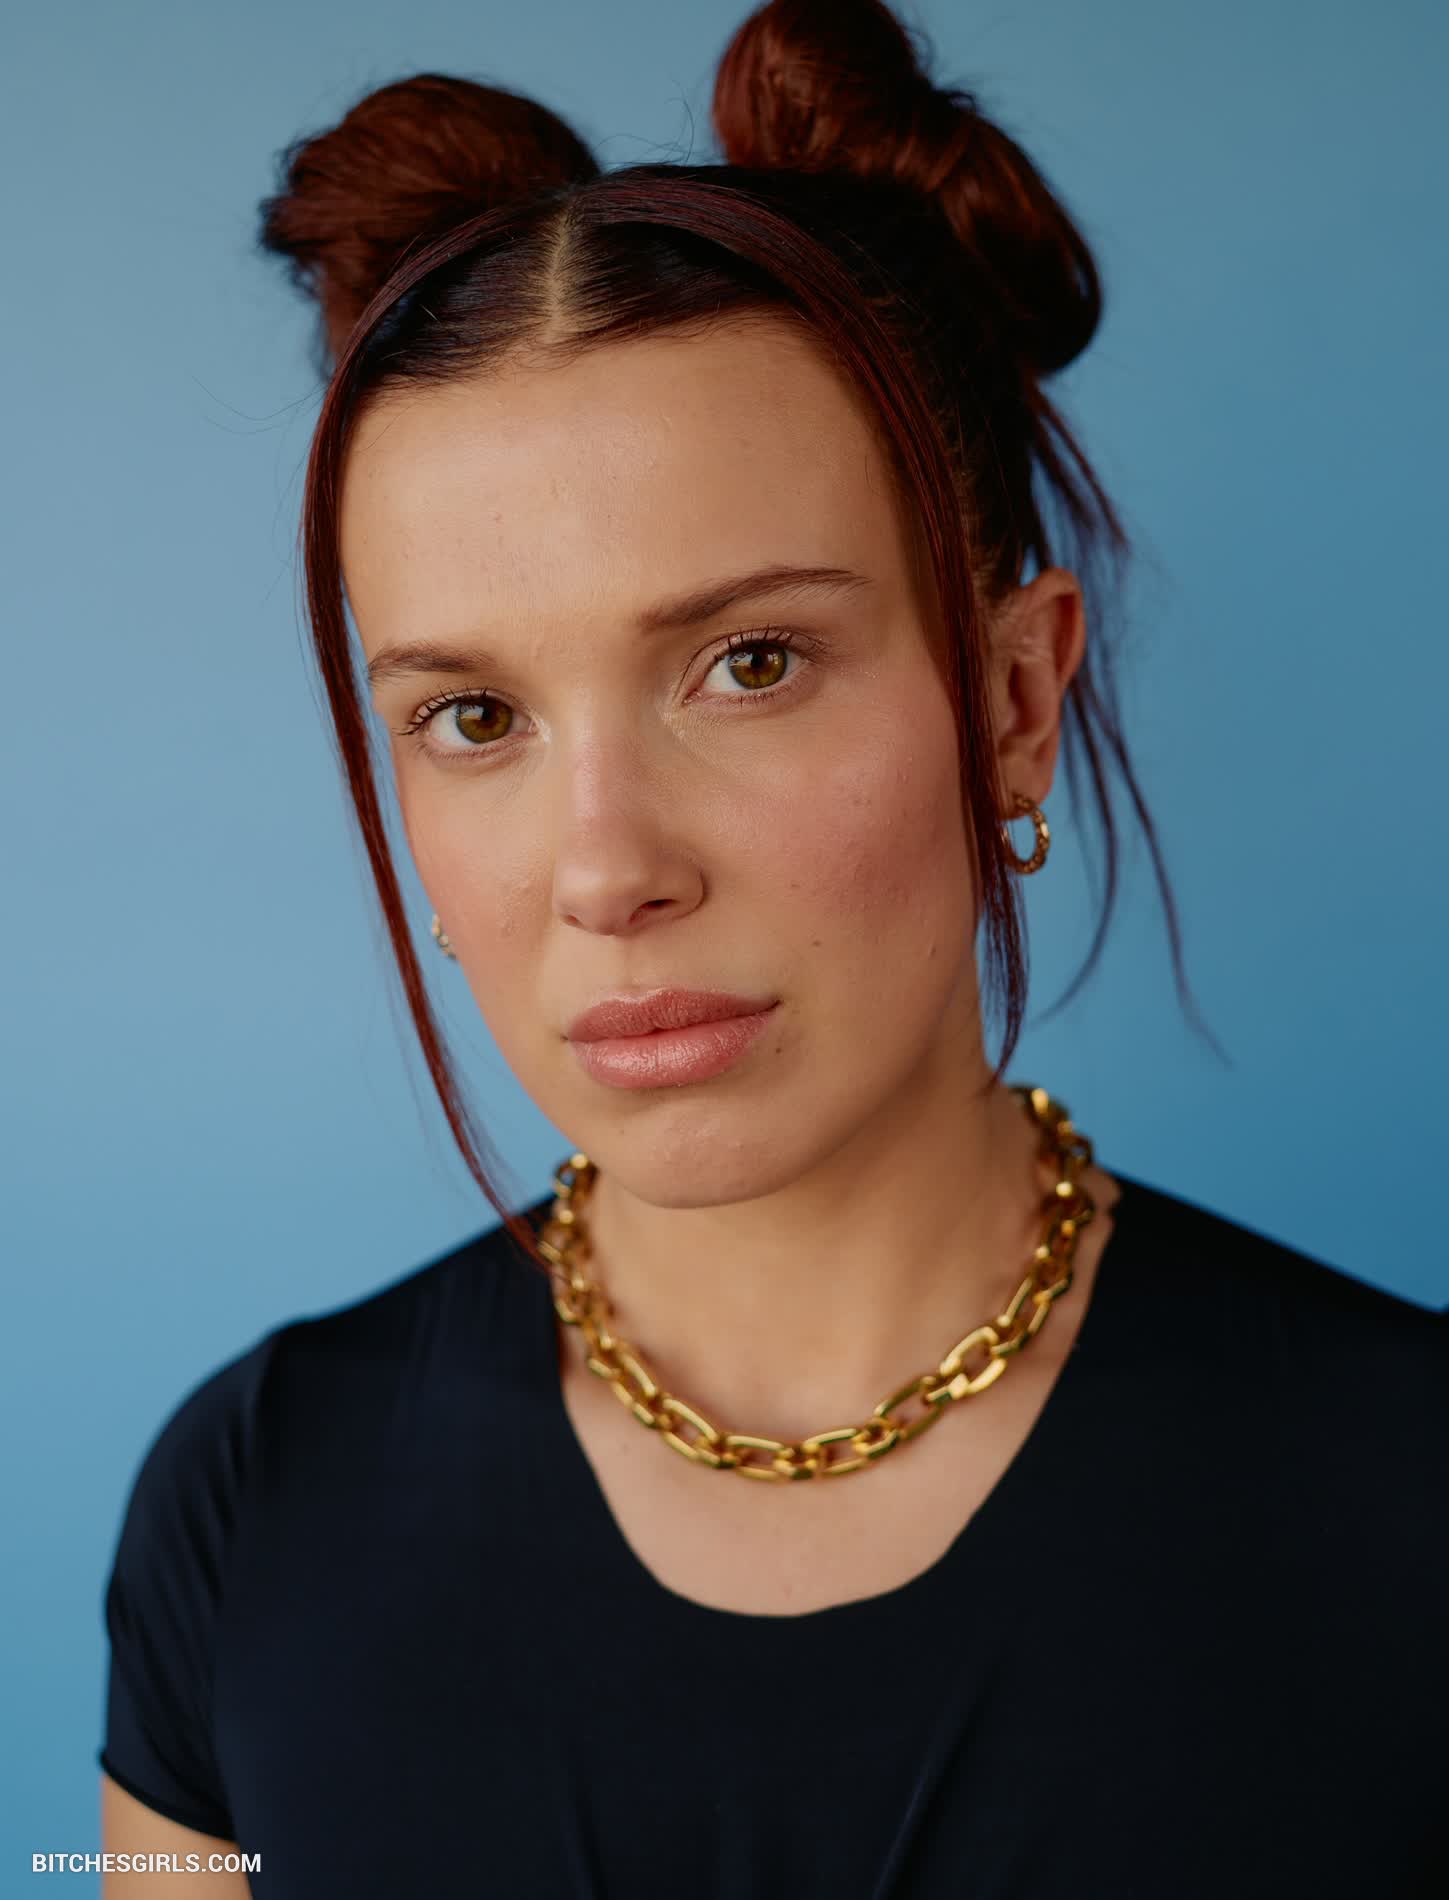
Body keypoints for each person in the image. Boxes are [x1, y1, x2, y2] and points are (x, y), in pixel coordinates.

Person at [96, 2, 1448, 1895]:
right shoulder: (250, 1506)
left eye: (749, 664)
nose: (606, 868)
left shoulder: (1400, 1494)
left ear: (1012, 701)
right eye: (473, 717)